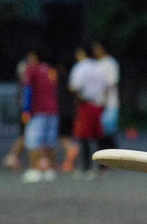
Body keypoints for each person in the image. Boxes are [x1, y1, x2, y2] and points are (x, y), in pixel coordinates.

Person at [68, 44, 108, 179]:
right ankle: (102, 166)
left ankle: (86, 168)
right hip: (98, 105)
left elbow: (75, 87)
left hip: (85, 104)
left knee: (84, 136)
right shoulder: (99, 67)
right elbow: (105, 86)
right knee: (98, 136)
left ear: (82, 53)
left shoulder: (80, 68)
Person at [21, 48, 60, 183]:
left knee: (33, 141)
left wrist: (26, 110)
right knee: (50, 141)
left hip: (38, 111)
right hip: (53, 110)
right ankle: (50, 169)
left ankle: (34, 169)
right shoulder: (51, 70)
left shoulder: (32, 70)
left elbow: (28, 91)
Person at [91, 40, 120, 150]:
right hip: (97, 103)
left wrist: (104, 99)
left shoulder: (110, 63)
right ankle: (102, 163)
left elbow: (111, 83)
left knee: (108, 133)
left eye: (97, 48)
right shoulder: (96, 63)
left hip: (109, 103)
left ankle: (114, 158)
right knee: (98, 133)